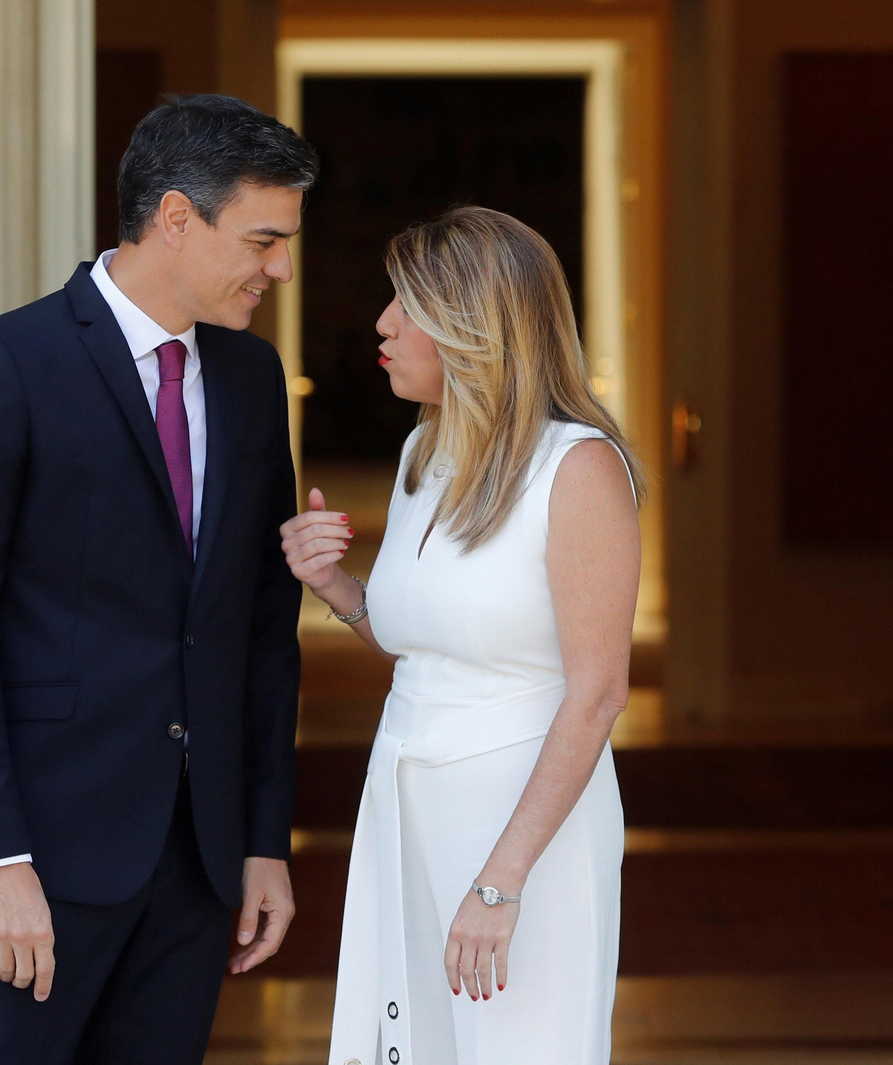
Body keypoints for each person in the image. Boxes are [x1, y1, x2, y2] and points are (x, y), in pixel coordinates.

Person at [0, 95, 316, 1065]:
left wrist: (262, 839)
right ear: (176, 218)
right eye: (263, 240)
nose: (282, 269)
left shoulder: (254, 382)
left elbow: (262, 627)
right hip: (36, 855)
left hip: (196, 863)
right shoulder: (1, 363)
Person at [281, 206, 644, 1065]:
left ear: (472, 325)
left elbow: (597, 694)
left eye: (405, 302)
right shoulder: (423, 454)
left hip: (524, 827)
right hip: (405, 800)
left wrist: (501, 880)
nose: (382, 322)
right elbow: (425, 644)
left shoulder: (578, 466)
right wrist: (335, 585)